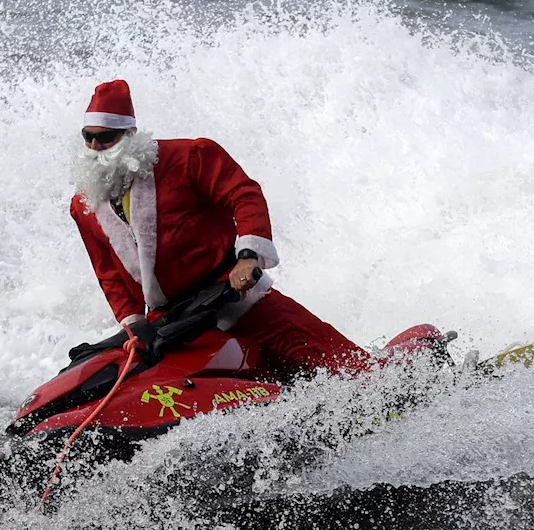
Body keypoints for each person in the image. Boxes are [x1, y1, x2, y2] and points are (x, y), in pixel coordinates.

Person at [69, 79, 375, 380]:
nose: (95, 146)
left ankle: (378, 382)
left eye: (106, 137)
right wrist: (133, 324)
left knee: (338, 365)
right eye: (89, 137)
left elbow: (244, 195)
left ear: (129, 135)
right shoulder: (85, 206)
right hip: (172, 322)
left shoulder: (189, 157)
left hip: (235, 295)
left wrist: (248, 256)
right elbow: (108, 273)